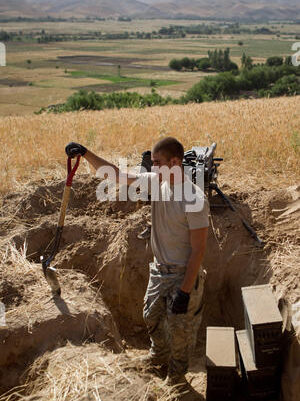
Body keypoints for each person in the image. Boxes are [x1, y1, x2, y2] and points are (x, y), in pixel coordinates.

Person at [65, 137, 210, 387]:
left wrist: (185, 292)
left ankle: (176, 379)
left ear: (174, 162)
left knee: (179, 331)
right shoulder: (158, 182)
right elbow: (118, 175)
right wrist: (86, 153)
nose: (151, 167)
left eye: (156, 162)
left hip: (183, 275)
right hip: (159, 271)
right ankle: (158, 358)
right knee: (151, 316)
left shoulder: (194, 199)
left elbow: (198, 250)